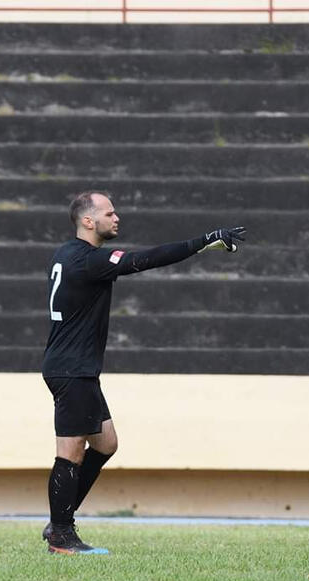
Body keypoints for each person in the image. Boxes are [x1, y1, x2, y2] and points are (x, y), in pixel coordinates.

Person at [41, 190, 246, 555]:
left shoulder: (65, 254)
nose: (116, 217)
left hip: (74, 368)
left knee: (105, 444)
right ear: (88, 221)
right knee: (70, 452)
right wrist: (203, 242)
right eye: (109, 213)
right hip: (72, 371)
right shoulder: (89, 261)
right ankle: (60, 533)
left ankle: (61, 516)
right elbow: (145, 259)